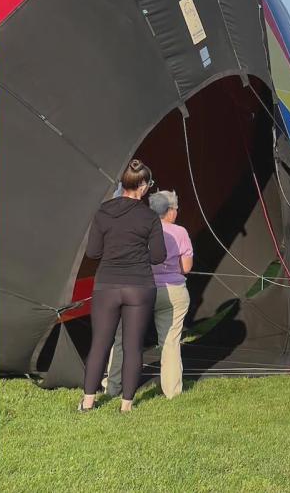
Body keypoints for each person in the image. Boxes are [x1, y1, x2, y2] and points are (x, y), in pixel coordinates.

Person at [79, 159, 166, 413]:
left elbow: (93, 252)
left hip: (107, 284)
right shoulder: (149, 217)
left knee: (100, 344)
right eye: (148, 184)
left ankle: (88, 402)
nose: (149, 188)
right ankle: (126, 406)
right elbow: (158, 256)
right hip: (139, 285)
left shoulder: (103, 211)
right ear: (140, 185)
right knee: (132, 346)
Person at [106, 190, 193, 400]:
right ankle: (172, 392)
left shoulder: (138, 229)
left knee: (122, 339)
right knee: (170, 342)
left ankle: (112, 386)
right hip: (172, 292)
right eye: (176, 209)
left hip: (138, 289)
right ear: (170, 211)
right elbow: (186, 268)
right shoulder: (180, 232)